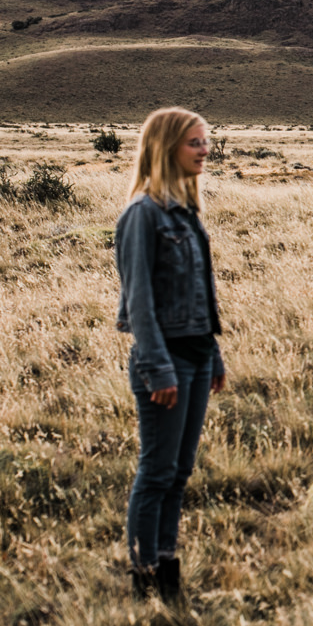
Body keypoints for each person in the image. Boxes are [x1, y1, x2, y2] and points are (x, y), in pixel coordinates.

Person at [116, 108, 227, 600]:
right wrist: (159, 366)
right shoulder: (142, 215)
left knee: (179, 473)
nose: (205, 151)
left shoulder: (185, 210)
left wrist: (215, 354)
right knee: (157, 472)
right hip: (165, 362)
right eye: (195, 143)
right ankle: (145, 579)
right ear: (166, 148)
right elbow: (138, 302)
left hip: (197, 355)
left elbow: (198, 294)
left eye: (206, 142)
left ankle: (167, 572)